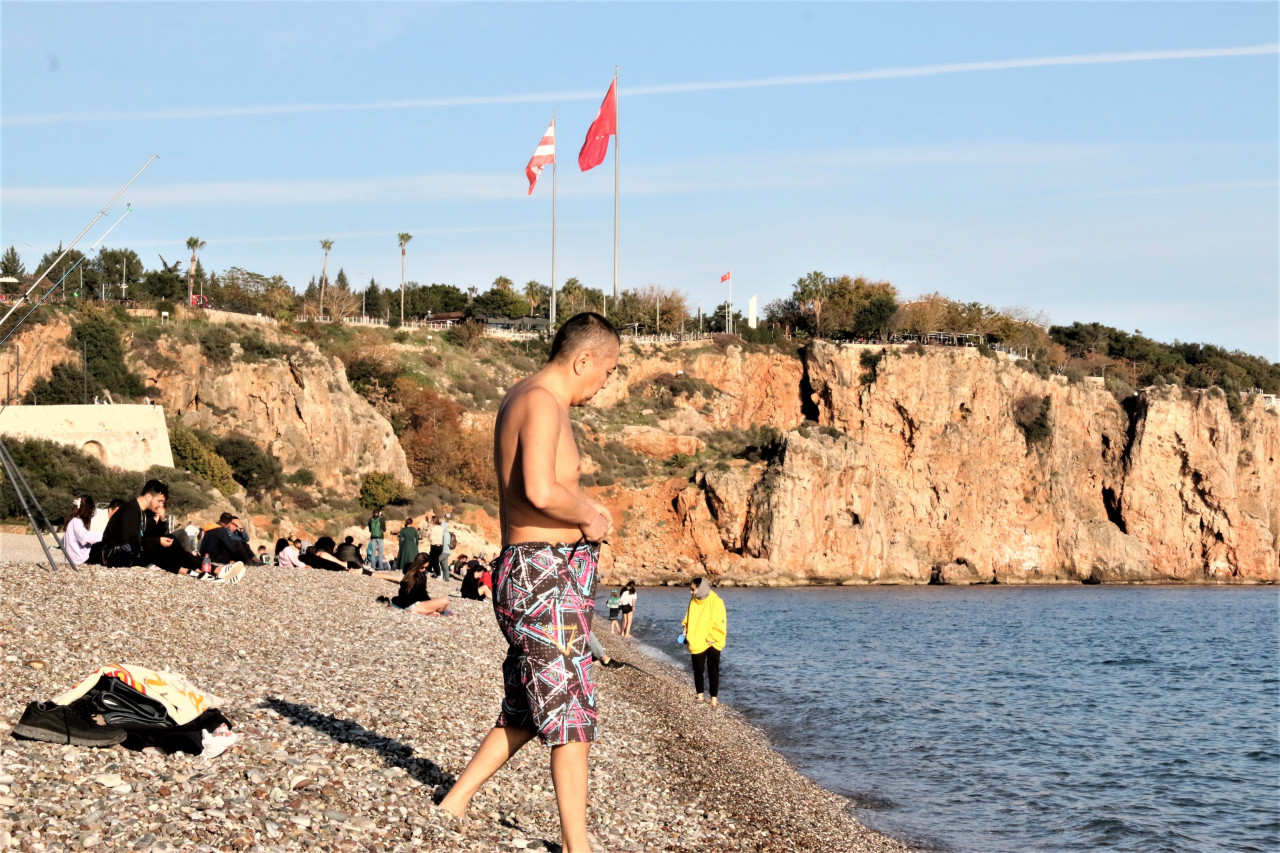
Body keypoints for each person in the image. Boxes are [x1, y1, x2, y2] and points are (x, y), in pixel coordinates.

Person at [439, 312, 619, 853]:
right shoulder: (542, 401)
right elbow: (539, 489)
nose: (604, 383)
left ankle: (455, 799)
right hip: (545, 575)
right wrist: (590, 515)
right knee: (571, 713)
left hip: (532, 571)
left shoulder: (523, 394)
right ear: (583, 359)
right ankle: (576, 846)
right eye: (607, 371)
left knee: (524, 704)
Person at [101, 480, 243, 582]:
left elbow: (155, 536)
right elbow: (132, 541)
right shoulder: (131, 510)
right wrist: (157, 541)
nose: (161, 505)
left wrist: (162, 519)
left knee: (170, 540)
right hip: (113, 554)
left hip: (129, 551)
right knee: (152, 545)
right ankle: (196, 571)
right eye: (160, 501)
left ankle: (209, 570)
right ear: (149, 497)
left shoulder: (144, 512)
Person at [681, 578, 728, 707]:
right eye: (691, 589)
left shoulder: (716, 601)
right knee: (698, 669)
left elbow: (720, 621)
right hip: (697, 637)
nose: (691, 592)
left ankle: (714, 698)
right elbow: (688, 617)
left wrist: (713, 637)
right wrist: (685, 629)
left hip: (713, 640)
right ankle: (700, 695)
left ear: (700, 588)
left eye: (693, 589)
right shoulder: (693, 601)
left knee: (713, 670)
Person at [374, 554, 452, 616]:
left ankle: (430, 612)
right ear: (418, 565)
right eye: (422, 567)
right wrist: (429, 602)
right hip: (413, 605)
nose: (424, 570)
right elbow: (421, 594)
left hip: (411, 603)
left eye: (426, 568)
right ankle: (429, 612)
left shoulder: (410, 574)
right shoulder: (415, 576)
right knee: (445, 601)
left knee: (443, 604)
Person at [62, 496, 102, 567]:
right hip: (79, 560)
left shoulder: (72, 521)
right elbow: (85, 537)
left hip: (72, 559)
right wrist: (104, 535)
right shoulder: (77, 521)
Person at [368, 507, 386, 573]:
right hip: (380, 537)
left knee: (373, 552)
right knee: (380, 553)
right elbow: (384, 529)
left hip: (373, 537)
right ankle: (380, 567)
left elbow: (370, 529)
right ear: (379, 512)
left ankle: (373, 567)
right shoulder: (382, 519)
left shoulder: (370, 519)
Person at [436, 513, 452, 580]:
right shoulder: (447, 533)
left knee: (436, 561)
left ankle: (437, 575)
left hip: (444, 551)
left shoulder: (445, 533)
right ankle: (446, 578)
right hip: (447, 551)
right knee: (445, 565)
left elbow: (444, 543)